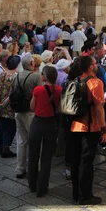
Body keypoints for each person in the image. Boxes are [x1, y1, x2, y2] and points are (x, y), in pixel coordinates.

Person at [70, 56, 106, 205]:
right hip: (89, 127)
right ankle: (85, 196)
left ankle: (76, 193)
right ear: (91, 67)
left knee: (76, 160)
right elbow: (99, 107)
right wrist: (104, 128)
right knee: (86, 163)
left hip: (74, 126)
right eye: (94, 63)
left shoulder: (76, 80)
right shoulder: (95, 83)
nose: (97, 65)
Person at [28, 66, 61, 197]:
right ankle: (42, 188)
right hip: (51, 123)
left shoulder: (38, 89)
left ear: (45, 76)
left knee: (33, 155)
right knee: (47, 158)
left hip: (37, 122)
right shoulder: (59, 90)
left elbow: (31, 107)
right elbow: (58, 108)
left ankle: (32, 184)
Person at [12, 55, 42, 179]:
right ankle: (34, 167)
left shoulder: (16, 76)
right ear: (31, 64)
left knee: (21, 140)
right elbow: (40, 93)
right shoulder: (35, 76)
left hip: (18, 111)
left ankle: (20, 168)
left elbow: (12, 94)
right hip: (30, 111)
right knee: (34, 141)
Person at [0, 55, 20, 157]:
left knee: (1, 126)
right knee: (10, 128)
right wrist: (3, 104)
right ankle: (6, 149)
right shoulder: (16, 76)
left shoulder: (2, 74)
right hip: (9, 107)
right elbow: (12, 95)